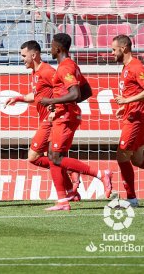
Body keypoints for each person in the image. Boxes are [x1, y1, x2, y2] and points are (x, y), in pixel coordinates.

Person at [40, 33, 112, 211]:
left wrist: (52, 101)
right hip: (64, 114)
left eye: (52, 46)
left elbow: (76, 94)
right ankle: (63, 200)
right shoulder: (72, 66)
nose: (50, 49)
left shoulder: (64, 68)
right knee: (52, 155)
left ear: (58, 48)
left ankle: (101, 174)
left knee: (55, 157)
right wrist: (61, 103)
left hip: (66, 117)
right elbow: (87, 91)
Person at [4, 40, 81, 201]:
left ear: (34, 55)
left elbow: (62, 88)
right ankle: (71, 192)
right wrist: (19, 98)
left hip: (50, 119)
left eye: (24, 56)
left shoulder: (47, 71)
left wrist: (55, 110)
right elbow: (37, 96)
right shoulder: (36, 73)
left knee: (34, 157)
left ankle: (71, 168)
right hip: (46, 119)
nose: (22, 59)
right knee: (52, 159)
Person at [113, 34, 144, 208]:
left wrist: (126, 101)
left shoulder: (136, 67)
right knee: (138, 160)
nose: (111, 53)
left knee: (122, 154)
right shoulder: (126, 68)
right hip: (132, 115)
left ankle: (131, 198)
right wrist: (124, 106)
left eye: (113, 49)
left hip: (137, 119)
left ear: (123, 48)